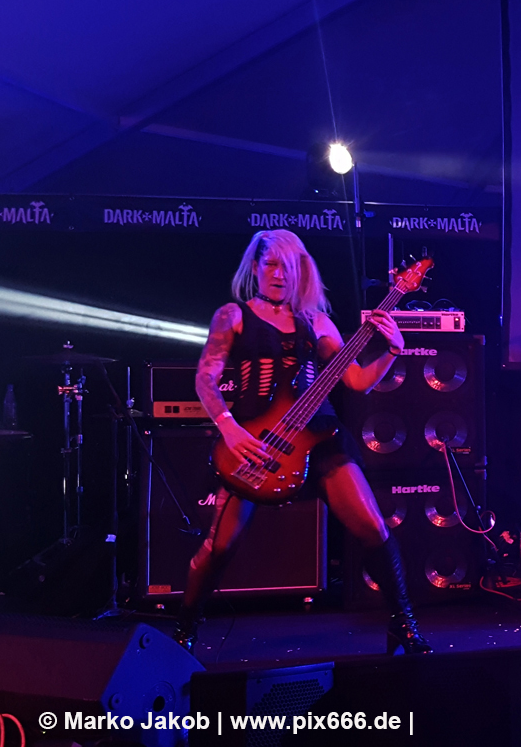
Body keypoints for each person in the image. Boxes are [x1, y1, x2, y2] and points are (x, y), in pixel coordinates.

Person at [173, 229, 430, 655]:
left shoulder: (317, 321)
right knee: (219, 546)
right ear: (255, 267)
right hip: (255, 439)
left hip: (321, 434)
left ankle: (403, 625)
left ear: (300, 271)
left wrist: (393, 350)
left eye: (287, 266)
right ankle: (185, 630)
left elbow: (357, 381)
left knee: (374, 527)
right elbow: (205, 378)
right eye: (270, 264)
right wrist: (230, 429)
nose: (278, 274)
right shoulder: (233, 315)